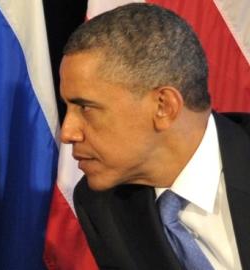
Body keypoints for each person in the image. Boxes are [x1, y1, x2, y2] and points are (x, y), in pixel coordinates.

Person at [59, 3, 250, 270]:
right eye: (67, 108)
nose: (67, 133)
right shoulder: (103, 206)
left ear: (164, 106)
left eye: (86, 108)